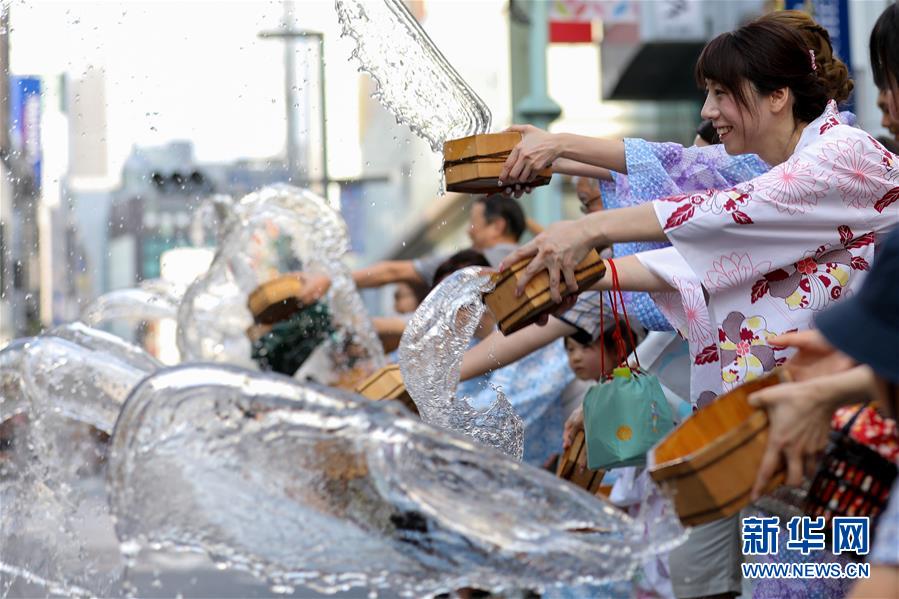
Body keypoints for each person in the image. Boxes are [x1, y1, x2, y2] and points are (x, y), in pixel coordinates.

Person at [493, 14, 895, 599]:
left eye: (722, 94)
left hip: (850, 429)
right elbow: (686, 174)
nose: (708, 111)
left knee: (819, 587)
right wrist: (558, 153)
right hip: (783, 434)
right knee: (775, 587)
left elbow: (722, 213)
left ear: (779, 96)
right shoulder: (780, 163)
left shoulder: (841, 157)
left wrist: (592, 235)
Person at [353, 194, 526, 289]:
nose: (469, 230)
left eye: (473, 222)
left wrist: (336, 281)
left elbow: (392, 271)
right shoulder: (532, 261)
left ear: (497, 226)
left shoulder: (471, 264)